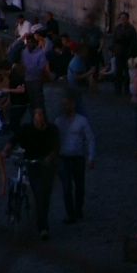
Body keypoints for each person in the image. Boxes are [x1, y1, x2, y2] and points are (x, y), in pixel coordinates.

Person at [7, 104, 60, 239]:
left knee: (43, 196)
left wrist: (50, 157)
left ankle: (42, 224)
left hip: (46, 166)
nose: (39, 117)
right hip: (31, 163)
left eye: (41, 114)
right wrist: (6, 149)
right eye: (37, 115)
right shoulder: (27, 129)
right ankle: (39, 224)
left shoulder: (51, 130)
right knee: (35, 192)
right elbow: (14, 139)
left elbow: (56, 146)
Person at [54, 92, 96, 224]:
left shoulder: (82, 121)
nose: (65, 107)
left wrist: (91, 156)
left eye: (67, 104)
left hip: (78, 157)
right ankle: (70, 213)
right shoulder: (58, 121)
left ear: (73, 104)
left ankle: (78, 209)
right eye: (63, 104)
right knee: (66, 187)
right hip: (63, 157)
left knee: (79, 186)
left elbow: (90, 139)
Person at [110, 11, 137, 95]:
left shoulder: (131, 29)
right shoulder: (117, 28)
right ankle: (117, 88)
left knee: (127, 72)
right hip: (119, 52)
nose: (122, 20)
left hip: (127, 53)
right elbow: (114, 39)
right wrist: (113, 49)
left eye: (124, 18)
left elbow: (134, 42)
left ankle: (126, 88)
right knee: (118, 71)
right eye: (121, 18)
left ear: (127, 19)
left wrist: (130, 52)